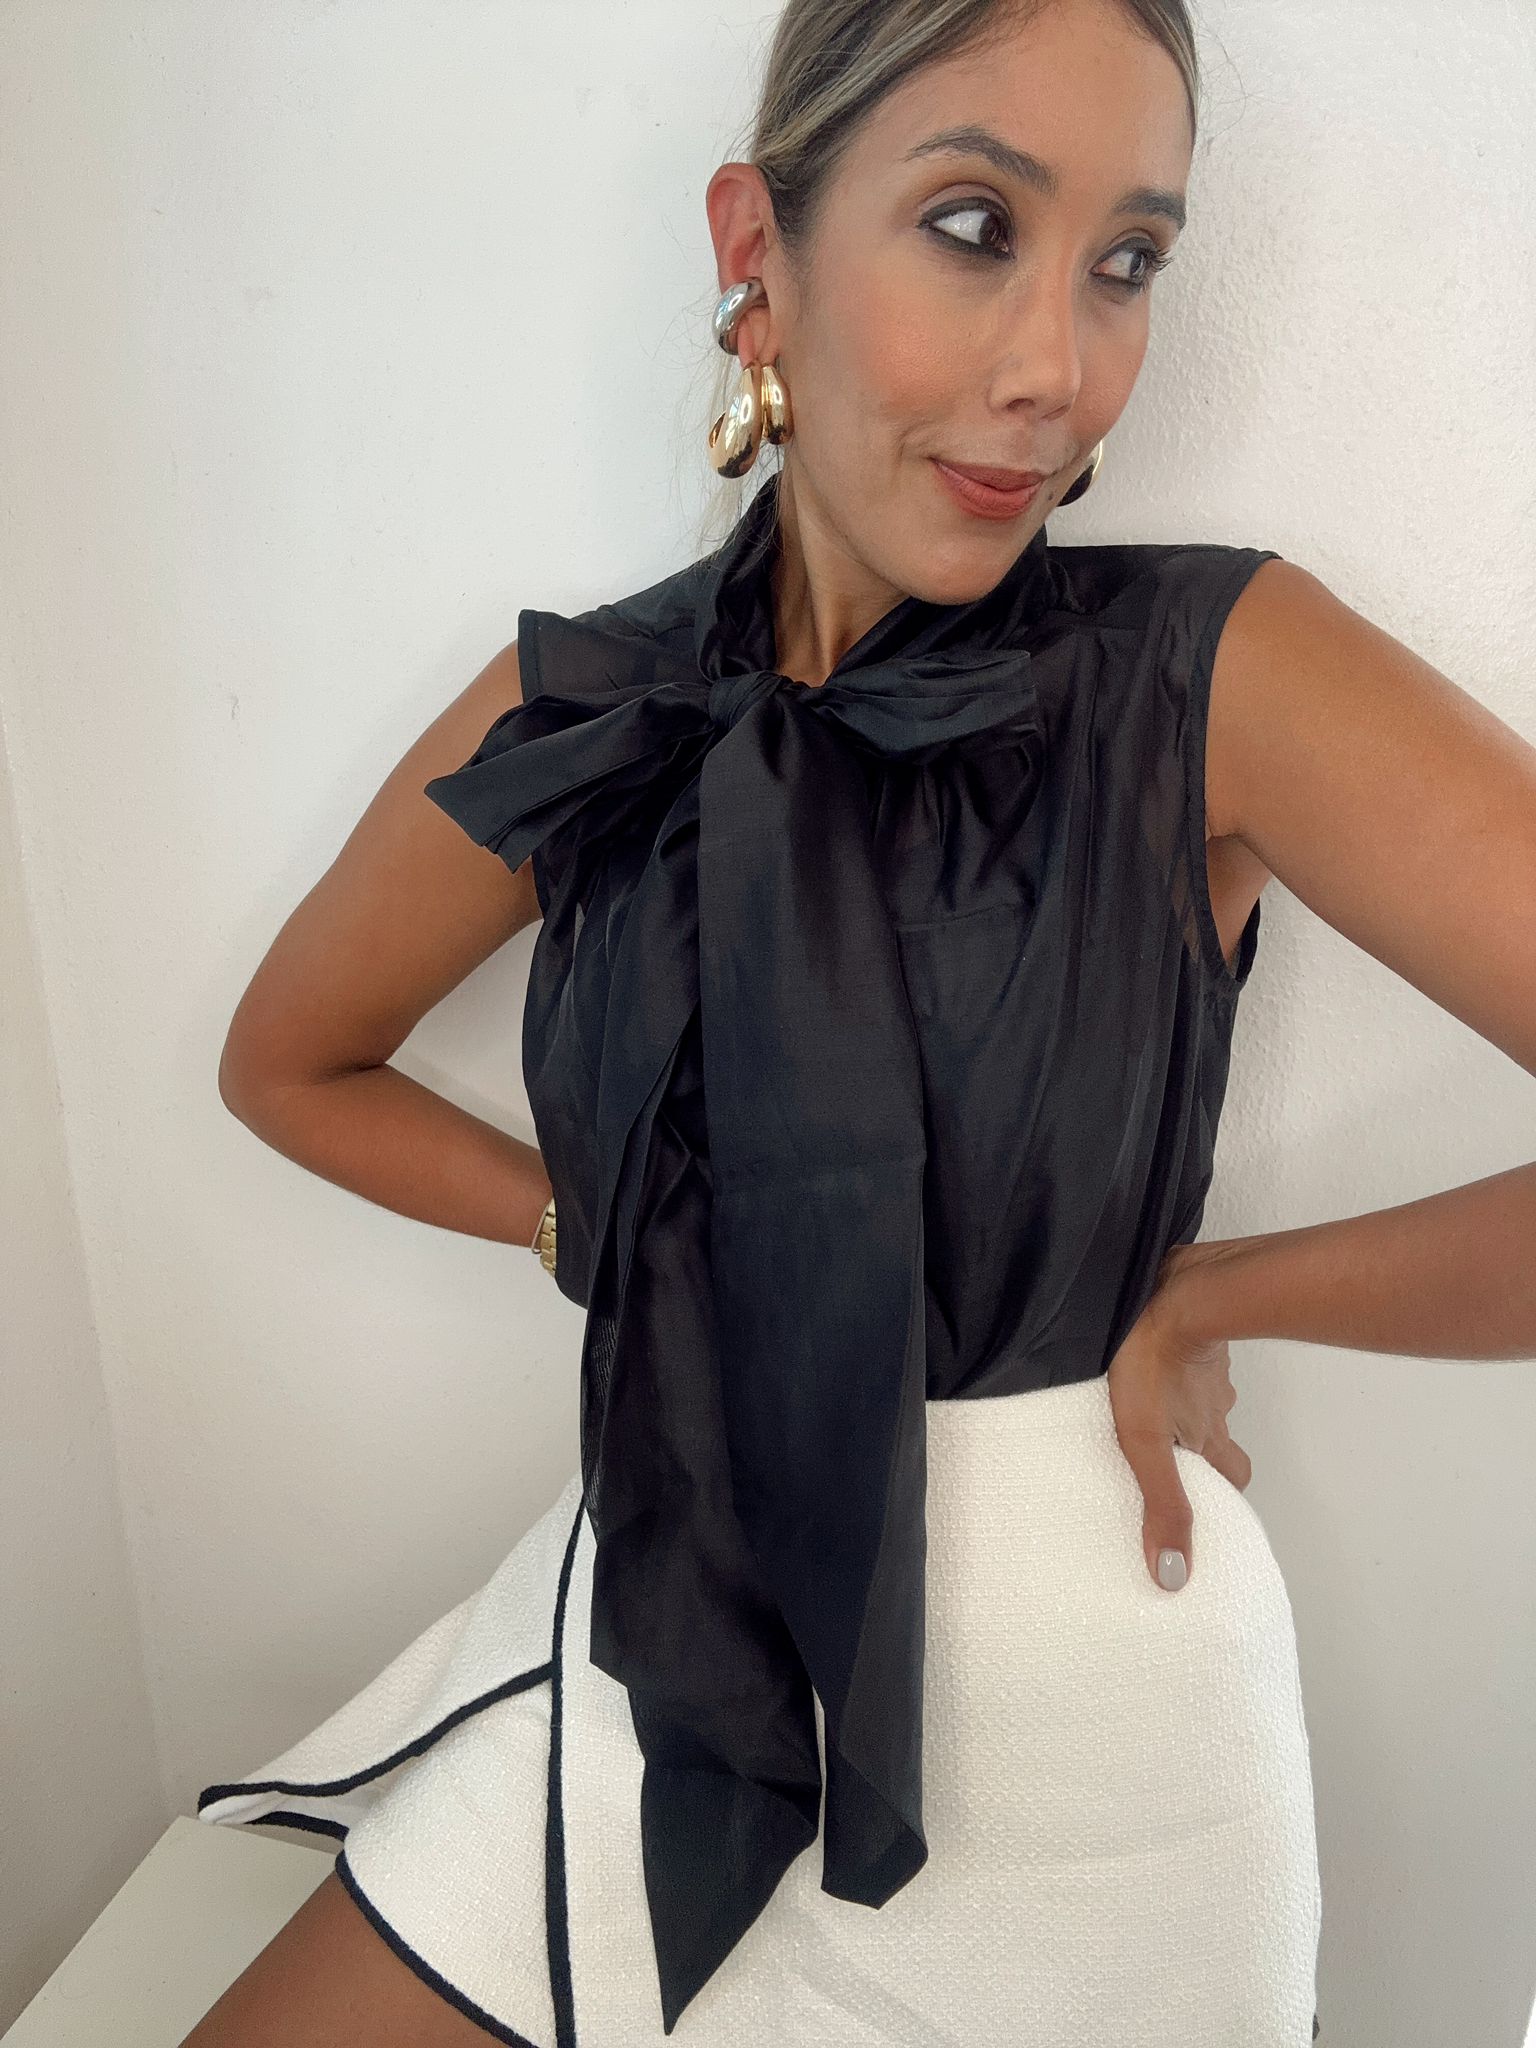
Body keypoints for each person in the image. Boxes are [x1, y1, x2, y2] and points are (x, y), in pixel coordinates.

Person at [181, 3, 1536, 2044]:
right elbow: (289, 1062)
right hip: (662, 1671)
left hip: (1085, 1779)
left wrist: (1218, 1288)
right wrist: (578, 1226)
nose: (1058, 364)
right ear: (760, 250)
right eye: (977, 225)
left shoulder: (1213, 674)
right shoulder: (591, 706)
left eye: (1128, 261)